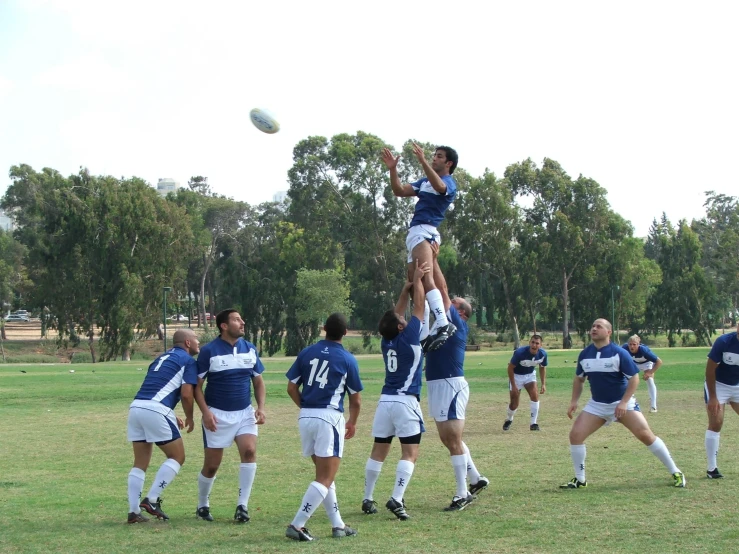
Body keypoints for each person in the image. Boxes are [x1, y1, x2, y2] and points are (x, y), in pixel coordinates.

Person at [561, 318, 685, 489]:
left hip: (622, 403)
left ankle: (676, 471)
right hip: (597, 406)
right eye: (593, 326)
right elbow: (579, 379)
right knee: (575, 435)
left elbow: (634, 379)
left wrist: (624, 402)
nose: (594, 328)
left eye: (599, 326)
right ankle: (580, 479)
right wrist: (574, 401)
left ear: (609, 332)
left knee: (646, 435)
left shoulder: (619, 353)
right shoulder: (585, 354)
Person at [362, 260, 430, 520]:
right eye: (402, 320)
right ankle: (396, 498)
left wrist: (405, 289)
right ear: (402, 327)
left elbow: (395, 315)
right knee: (410, 452)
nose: (404, 317)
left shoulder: (386, 341)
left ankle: (368, 497)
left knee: (379, 450)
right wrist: (420, 280)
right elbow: (420, 307)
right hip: (405, 401)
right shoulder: (411, 336)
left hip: (385, 402)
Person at [285, 313, 363, 541]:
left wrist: (307, 406)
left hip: (306, 417)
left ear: (323, 328)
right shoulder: (348, 359)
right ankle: (297, 525)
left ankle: (338, 525)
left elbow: (291, 388)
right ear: (345, 332)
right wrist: (353, 422)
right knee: (324, 478)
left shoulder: (307, 352)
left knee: (325, 475)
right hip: (329, 418)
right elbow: (355, 400)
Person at [424, 243, 488, 511]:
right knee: (449, 439)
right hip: (440, 385)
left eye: (455, 304)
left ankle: (463, 493)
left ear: (461, 313)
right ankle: (475, 478)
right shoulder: (448, 322)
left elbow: (442, 290)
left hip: (450, 384)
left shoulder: (456, 322)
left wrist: (434, 261)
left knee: (451, 440)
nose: (450, 303)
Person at [382, 143, 459, 351]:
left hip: (425, 230)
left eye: (439, 156)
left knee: (425, 278)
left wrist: (423, 161)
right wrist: (392, 169)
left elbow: (440, 188)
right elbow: (399, 190)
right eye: (433, 155)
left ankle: (443, 323)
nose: (434, 158)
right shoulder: (425, 181)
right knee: (414, 284)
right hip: (416, 232)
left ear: (448, 163)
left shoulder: (448, 182)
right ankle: (423, 334)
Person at [193, 309, 266, 523]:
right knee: (212, 465)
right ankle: (202, 504)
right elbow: (197, 387)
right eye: (236, 320)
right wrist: (206, 413)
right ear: (224, 326)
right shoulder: (209, 351)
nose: (242, 322)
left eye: (241, 319)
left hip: (244, 412)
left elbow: (258, 381)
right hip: (217, 415)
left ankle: (242, 506)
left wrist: (260, 407)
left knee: (250, 451)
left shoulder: (250, 348)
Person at [126, 329, 200, 523]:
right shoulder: (188, 361)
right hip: (156, 409)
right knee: (177, 456)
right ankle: (151, 500)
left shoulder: (161, 358)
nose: (198, 343)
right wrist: (190, 417)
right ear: (187, 343)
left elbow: (155, 387)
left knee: (140, 462)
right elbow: (186, 394)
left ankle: (133, 512)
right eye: (196, 339)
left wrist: (170, 413)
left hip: (136, 407)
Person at [703, 323, 739, 479]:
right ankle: (712, 468)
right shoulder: (724, 342)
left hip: (737, 386)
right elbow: (710, 370)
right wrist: (713, 397)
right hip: (718, 385)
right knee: (716, 423)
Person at [503, 335, 547, 431]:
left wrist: (543, 384)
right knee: (514, 404)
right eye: (532, 342)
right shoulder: (520, 353)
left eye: (537, 343)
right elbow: (510, 368)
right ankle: (509, 419)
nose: (534, 345)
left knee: (534, 396)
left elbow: (542, 367)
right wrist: (514, 385)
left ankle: (533, 423)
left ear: (541, 345)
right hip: (516, 376)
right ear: (529, 343)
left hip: (530, 375)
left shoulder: (543, 354)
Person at [623, 335, 662, 413]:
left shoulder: (644, 350)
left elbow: (659, 361)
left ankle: (653, 406)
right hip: (634, 363)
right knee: (626, 380)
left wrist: (650, 372)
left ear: (638, 344)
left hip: (646, 363)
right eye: (630, 344)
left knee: (650, 381)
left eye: (634, 344)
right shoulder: (624, 348)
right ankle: (628, 402)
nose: (632, 346)